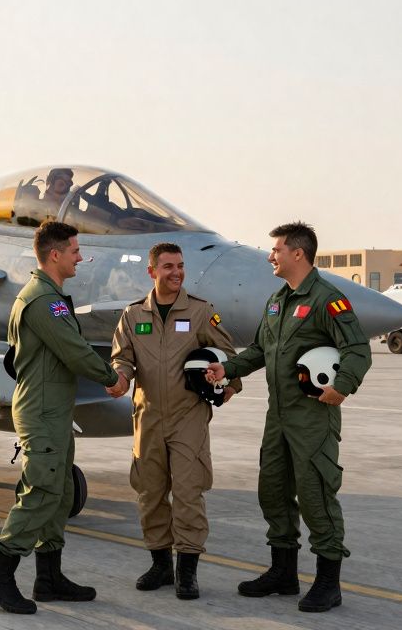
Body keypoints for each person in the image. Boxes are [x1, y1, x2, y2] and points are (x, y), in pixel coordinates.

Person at [204, 222, 371, 613]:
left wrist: (342, 386)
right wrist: (226, 370)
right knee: (273, 492)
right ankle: (283, 574)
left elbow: (358, 349)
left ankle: (329, 584)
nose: (270, 256)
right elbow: (261, 350)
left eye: (276, 249)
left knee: (315, 497)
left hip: (312, 417)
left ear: (298, 253)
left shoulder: (327, 299)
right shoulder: (278, 300)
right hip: (278, 416)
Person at [0, 220, 119, 615]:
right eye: (74, 250)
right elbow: (73, 350)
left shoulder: (49, 295)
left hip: (54, 408)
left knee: (59, 496)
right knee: (40, 492)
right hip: (41, 411)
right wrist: (112, 377)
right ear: (55, 255)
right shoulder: (44, 300)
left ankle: (49, 577)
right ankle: (0, 577)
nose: (80, 256)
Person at [109, 242, 241, 600]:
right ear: (152, 272)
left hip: (188, 417)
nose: (176, 272)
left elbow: (228, 355)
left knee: (188, 493)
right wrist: (120, 378)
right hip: (148, 416)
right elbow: (122, 359)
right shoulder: (133, 315)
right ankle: (160, 565)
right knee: (150, 492)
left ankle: (187, 570)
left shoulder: (200, 312)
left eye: (180, 266)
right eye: (168, 267)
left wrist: (229, 384)